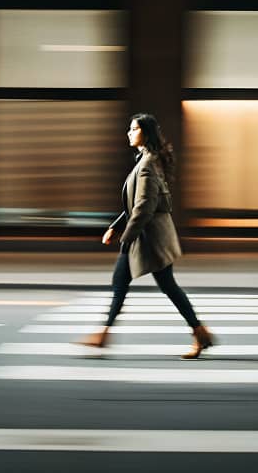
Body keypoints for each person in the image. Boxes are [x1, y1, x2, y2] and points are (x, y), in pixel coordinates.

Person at [78, 113, 215, 359]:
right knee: (132, 283)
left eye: (134, 129)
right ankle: (199, 333)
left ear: (145, 133)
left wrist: (125, 237)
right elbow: (134, 204)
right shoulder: (146, 160)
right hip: (146, 236)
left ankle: (199, 332)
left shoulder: (149, 164)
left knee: (154, 286)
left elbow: (144, 207)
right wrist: (116, 226)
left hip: (151, 239)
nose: (129, 133)